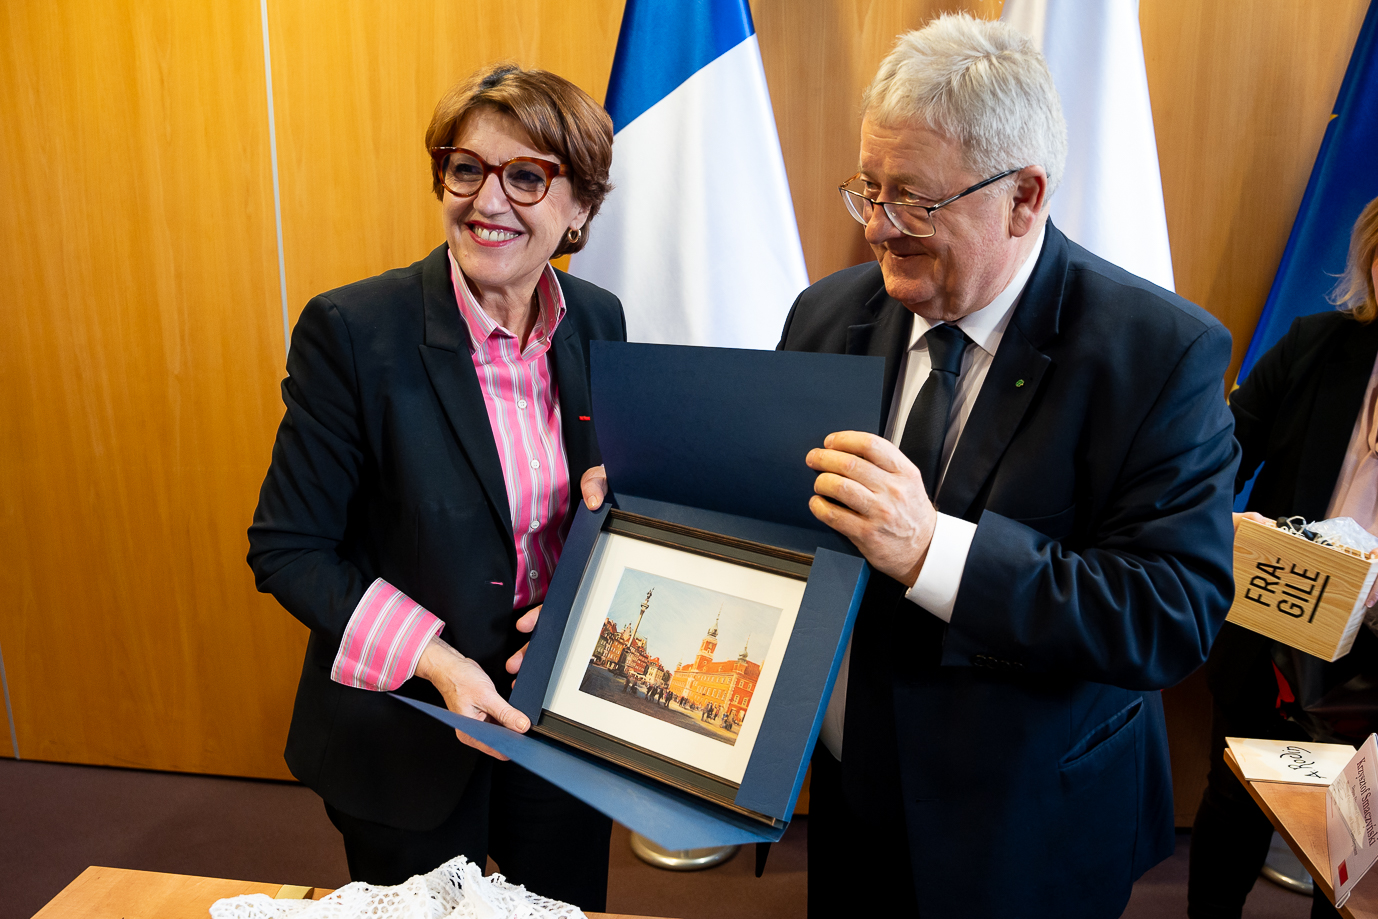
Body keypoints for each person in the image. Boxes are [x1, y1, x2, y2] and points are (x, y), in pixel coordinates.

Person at [771, 14, 1238, 917]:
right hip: (851, 793)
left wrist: (932, 551)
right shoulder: (824, 315)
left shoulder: (1158, 355)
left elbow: (1169, 613)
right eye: (866, 189)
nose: (878, 226)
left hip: (1030, 821)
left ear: (1025, 196)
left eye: (914, 199)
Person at [247, 63, 623, 909]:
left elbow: (592, 511)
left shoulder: (598, 318)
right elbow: (288, 547)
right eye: (467, 169)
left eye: (527, 176)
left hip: (557, 722)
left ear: (582, 208)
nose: (488, 201)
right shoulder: (352, 332)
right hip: (407, 729)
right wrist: (442, 662)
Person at [1189, 195, 1378, 919]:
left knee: (1355, 843)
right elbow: (1215, 456)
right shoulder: (1315, 344)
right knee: (1234, 804)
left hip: (1373, 655)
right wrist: (1228, 522)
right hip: (1279, 620)